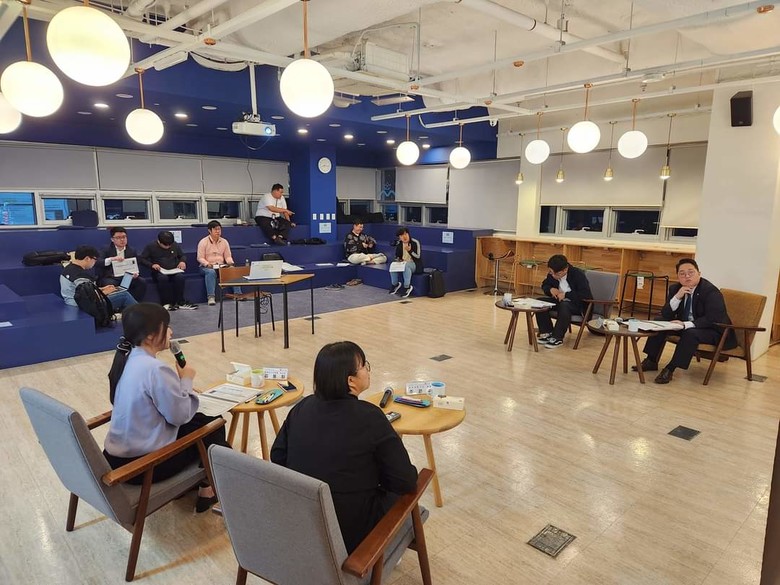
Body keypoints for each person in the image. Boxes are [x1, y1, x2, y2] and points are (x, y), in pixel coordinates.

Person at [271, 341, 417, 554]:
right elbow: (405, 481)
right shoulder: (370, 417)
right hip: (352, 533)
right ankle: (385, 553)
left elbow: (277, 456)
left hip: (303, 520)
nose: (368, 370)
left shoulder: (302, 408)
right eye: (364, 366)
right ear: (350, 380)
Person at [103, 303, 229, 513]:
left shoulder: (127, 359)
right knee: (214, 424)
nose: (171, 331)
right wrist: (186, 380)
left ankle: (199, 483)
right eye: (166, 326)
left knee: (202, 420)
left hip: (115, 458)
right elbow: (180, 416)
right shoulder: (155, 369)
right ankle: (207, 489)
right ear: (150, 336)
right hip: (143, 467)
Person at [635, 258, 736, 384]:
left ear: (699, 273)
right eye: (682, 274)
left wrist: (685, 324)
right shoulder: (675, 289)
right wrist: (677, 297)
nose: (687, 276)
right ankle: (651, 360)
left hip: (714, 330)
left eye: (691, 272)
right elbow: (666, 314)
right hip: (687, 325)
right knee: (660, 321)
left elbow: (712, 319)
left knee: (691, 333)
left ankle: (670, 368)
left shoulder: (710, 291)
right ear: (678, 277)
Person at [535, 254, 593, 349]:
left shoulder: (577, 275)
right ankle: (547, 332)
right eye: (551, 272)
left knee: (564, 305)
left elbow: (585, 294)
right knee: (540, 302)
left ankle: (557, 337)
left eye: (556, 274)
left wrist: (566, 295)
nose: (553, 276)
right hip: (560, 302)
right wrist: (550, 289)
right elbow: (545, 285)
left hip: (577, 305)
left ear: (565, 270)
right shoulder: (553, 273)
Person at [60, 245, 137, 313]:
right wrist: (105, 292)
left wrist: (102, 289)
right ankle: (142, 316)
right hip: (84, 306)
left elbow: (83, 290)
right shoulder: (80, 275)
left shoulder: (68, 268)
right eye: (95, 259)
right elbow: (89, 297)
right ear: (87, 258)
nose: (95, 262)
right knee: (124, 296)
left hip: (71, 301)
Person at [139, 230, 197, 311]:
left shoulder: (174, 245)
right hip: (159, 271)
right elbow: (142, 259)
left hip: (174, 270)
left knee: (180, 277)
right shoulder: (150, 246)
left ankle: (180, 301)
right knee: (163, 278)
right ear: (159, 242)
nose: (168, 247)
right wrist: (152, 265)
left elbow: (182, 255)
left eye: (170, 245)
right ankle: (166, 303)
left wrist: (182, 261)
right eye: (165, 245)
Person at [95, 226, 147, 302]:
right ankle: (115, 305)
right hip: (111, 277)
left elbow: (136, 264)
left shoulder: (132, 250)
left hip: (127, 276)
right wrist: (111, 259)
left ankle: (134, 303)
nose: (122, 239)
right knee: (110, 283)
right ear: (112, 239)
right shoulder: (105, 249)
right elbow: (98, 262)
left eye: (124, 237)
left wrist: (135, 273)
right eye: (118, 237)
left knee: (141, 282)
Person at [196, 220, 240, 306]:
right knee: (210, 272)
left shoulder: (224, 242)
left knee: (232, 269)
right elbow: (200, 258)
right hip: (206, 267)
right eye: (215, 229)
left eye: (219, 229)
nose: (218, 231)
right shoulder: (203, 242)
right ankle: (211, 297)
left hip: (221, 266)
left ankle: (237, 294)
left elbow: (228, 256)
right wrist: (207, 264)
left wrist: (230, 263)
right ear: (209, 230)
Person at [389, 227, 422, 299]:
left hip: (415, 264)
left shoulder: (415, 242)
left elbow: (418, 256)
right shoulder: (399, 244)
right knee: (392, 265)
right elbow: (397, 256)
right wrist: (398, 259)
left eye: (405, 234)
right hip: (403, 263)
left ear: (408, 234)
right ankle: (395, 284)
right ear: (399, 237)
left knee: (406, 266)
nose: (404, 237)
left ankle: (407, 287)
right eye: (401, 235)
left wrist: (410, 251)